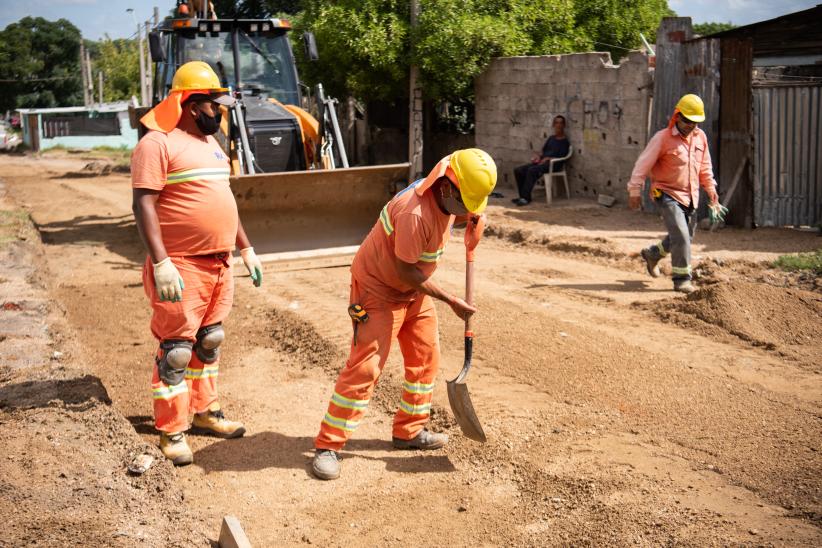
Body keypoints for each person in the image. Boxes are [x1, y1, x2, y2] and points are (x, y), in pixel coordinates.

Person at [311, 149, 497, 480]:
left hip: (412, 293)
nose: (470, 209)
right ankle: (329, 444)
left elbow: (462, 213)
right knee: (366, 369)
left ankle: (408, 432)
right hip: (379, 291)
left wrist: (474, 221)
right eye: (467, 202)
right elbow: (407, 271)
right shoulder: (415, 214)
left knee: (426, 360)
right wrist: (451, 300)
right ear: (446, 186)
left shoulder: (446, 198)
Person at [131, 61, 264, 465]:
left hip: (219, 264)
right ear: (190, 104)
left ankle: (205, 411)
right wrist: (162, 262)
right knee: (176, 351)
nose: (219, 112)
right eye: (213, 105)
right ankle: (171, 431)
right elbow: (143, 205)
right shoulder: (156, 144)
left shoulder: (212, 144)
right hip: (182, 265)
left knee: (209, 342)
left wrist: (246, 248)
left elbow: (224, 200)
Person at [627, 94, 719, 294]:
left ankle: (653, 254)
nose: (690, 125)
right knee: (682, 237)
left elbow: (705, 167)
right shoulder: (662, 138)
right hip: (666, 193)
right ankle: (682, 279)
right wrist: (635, 189)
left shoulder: (700, 138)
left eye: (695, 122)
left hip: (691, 196)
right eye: (686, 120)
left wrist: (711, 190)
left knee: (683, 236)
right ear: (677, 116)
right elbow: (643, 164)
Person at [512, 115, 571, 205]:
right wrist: (538, 157)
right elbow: (543, 151)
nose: (558, 125)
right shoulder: (551, 138)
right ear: (553, 125)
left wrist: (548, 158)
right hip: (542, 163)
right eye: (556, 123)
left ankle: (525, 198)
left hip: (553, 165)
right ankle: (523, 196)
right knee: (519, 170)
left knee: (532, 171)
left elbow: (563, 157)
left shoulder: (565, 142)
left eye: (560, 123)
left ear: (564, 125)